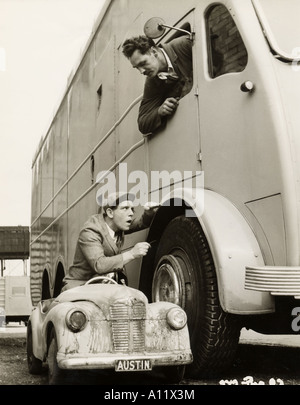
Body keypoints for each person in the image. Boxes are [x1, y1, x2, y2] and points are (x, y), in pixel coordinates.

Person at [61, 192, 157, 291]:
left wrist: (148, 214)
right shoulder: (91, 230)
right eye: (125, 208)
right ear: (110, 213)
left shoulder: (118, 224)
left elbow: (139, 224)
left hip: (101, 286)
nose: (131, 213)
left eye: (132, 209)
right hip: (80, 287)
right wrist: (132, 254)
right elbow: (99, 265)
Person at [122, 34, 193, 135]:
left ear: (154, 52)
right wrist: (159, 111)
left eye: (143, 63)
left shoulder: (184, 45)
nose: (141, 71)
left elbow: (218, 63)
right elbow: (143, 123)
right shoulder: (152, 82)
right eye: (137, 68)